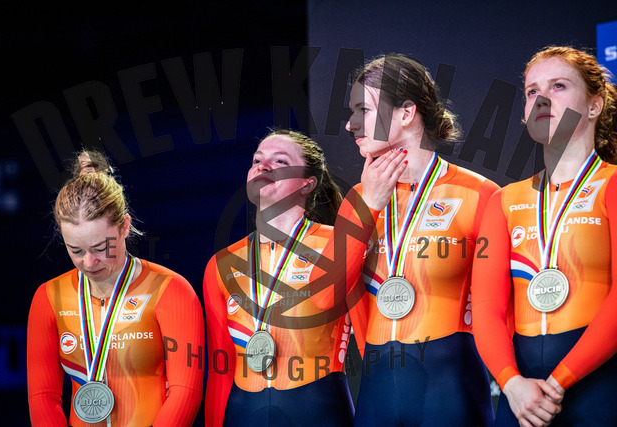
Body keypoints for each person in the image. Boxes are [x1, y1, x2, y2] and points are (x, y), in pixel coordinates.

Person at [203, 128, 406, 426]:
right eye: (257, 160)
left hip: (320, 411)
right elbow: (220, 370)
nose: (263, 166)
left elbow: (369, 347)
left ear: (307, 183)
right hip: (242, 413)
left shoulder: (340, 243)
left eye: (280, 161)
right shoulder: (222, 264)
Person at [346, 54, 498, 426]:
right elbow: (330, 294)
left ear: (406, 113)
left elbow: (502, 309)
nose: (350, 124)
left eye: (364, 110)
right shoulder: (357, 200)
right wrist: (370, 208)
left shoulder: (480, 194)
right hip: (377, 389)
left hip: (451, 387)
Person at [473, 46, 617, 426]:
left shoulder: (612, 185)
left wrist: (558, 382)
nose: (542, 99)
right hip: (520, 398)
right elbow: (486, 308)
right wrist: (511, 383)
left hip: (598, 388)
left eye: (558, 86)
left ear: (594, 106)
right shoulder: (504, 201)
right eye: (532, 91)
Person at [27, 151, 204, 426]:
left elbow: (186, 392)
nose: (89, 262)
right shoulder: (49, 297)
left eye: (101, 248)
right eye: (76, 250)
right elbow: (43, 397)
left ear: (125, 227)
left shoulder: (170, 289)